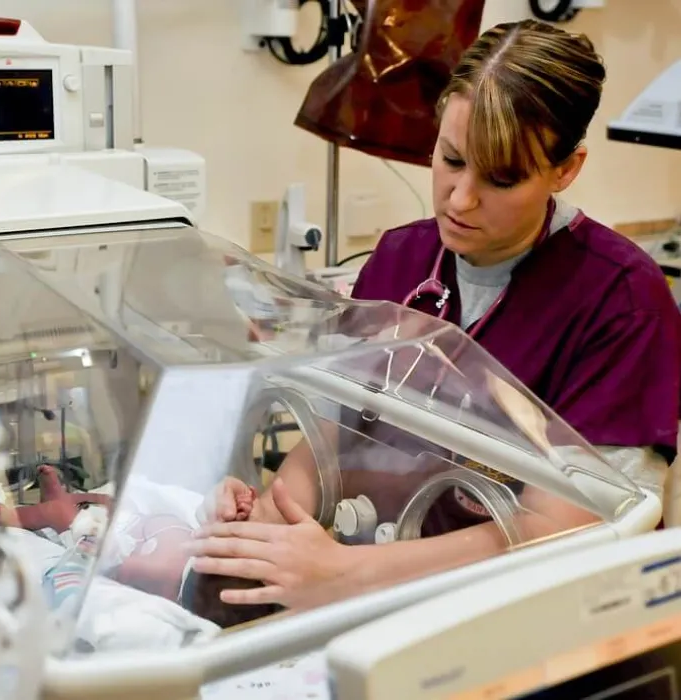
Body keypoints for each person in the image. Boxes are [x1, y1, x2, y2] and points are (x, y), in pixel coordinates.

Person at [186, 19, 681, 612]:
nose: (460, 198)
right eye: (451, 159)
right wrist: (267, 521)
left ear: (566, 169)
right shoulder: (400, 260)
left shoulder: (621, 301)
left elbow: (574, 526)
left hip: (523, 612)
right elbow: (331, 435)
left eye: (501, 178)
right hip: (375, 581)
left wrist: (347, 573)